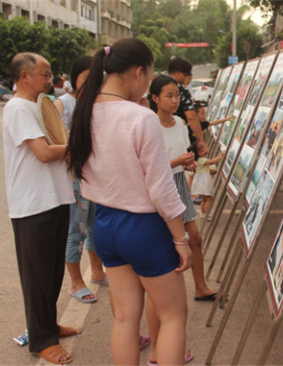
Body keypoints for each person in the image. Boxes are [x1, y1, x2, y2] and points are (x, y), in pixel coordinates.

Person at [68, 40, 192, 366]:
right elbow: (161, 189)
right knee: (172, 316)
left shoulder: (84, 112)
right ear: (138, 72)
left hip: (105, 224)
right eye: (149, 76)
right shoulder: (140, 117)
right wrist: (181, 239)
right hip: (143, 227)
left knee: (124, 319)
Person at [4, 52, 78, 364]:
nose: (51, 80)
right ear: (24, 77)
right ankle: (41, 340)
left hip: (53, 199)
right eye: (45, 75)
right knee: (37, 277)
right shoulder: (19, 107)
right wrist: (78, 146)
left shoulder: (36, 107)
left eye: (50, 74)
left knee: (50, 273)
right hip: (34, 205)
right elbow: (45, 153)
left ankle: (48, 326)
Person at [150, 75, 217, 302]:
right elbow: (150, 169)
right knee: (168, 243)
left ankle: (200, 287)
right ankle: (166, 295)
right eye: (169, 96)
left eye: (177, 95)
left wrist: (188, 162)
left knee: (195, 238)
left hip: (179, 183)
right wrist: (178, 161)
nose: (175, 100)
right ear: (155, 98)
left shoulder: (179, 123)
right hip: (162, 187)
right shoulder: (150, 125)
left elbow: (181, 154)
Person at [53, 56, 108, 304]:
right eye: (86, 76)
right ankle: (76, 283)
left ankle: (97, 271)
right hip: (74, 176)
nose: (91, 81)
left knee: (95, 226)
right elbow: (57, 142)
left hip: (96, 176)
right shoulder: (62, 104)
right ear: (75, 77)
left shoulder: (97, 104)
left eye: (95, 76)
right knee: (76, 228)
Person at [167, 58, 207, 154]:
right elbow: (191, 116)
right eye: (186, 76)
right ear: (179, 73)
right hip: (176, 136)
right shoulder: (179, 89)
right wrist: (201, 141)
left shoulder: (158, 86)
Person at [192, 149, 226, 220]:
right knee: (208, 199)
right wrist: (221, 156)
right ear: (200, 152)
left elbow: (206, 168)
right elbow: (212, 161)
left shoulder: (200, 160)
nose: (207, 148)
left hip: (202, 181)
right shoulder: (200, 159)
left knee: (204, 199)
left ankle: (203, 213)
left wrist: (211, 172)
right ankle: (207, 214)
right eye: (205, 147)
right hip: (204, 182)